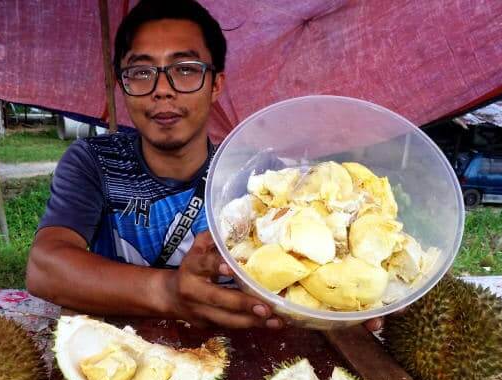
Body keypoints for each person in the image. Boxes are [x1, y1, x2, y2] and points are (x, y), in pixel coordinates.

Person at [27, 0, 383, 331]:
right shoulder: (95, 162)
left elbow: (315, 269)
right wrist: (169, 293)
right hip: (121, 350)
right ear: (122, 85)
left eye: (185, 70)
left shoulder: (265, 178)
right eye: (140, 71)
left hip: (242, 353)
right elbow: (45, 269)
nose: (162, 89)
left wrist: (357, 293)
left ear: (216, 85)